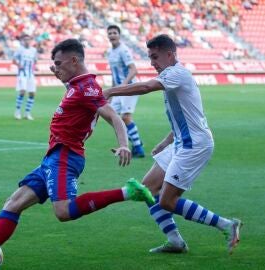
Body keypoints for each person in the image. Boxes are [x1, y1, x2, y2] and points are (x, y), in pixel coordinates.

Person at [0, 39, 155, 266]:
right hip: (54, 157)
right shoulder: (77, 86)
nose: (56, 68)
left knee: (63, 211)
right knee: (13, 203)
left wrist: (124, 144)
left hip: (66, 156)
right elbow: (77, 100)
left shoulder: (87, 88)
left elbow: (114, 116)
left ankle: (128, 192)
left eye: (59, 63)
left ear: (74, 60)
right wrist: (61, 76)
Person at [104, 34, 242, 254]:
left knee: (167, 201)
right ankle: (175, 241)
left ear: (170, 54)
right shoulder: (171, 75)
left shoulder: (176, 73)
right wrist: (166, 141)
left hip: (195, 145)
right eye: (150, 57)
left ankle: (226, 224)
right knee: (147, 189)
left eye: (155, 57)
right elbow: (187, 115)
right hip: (181, 142)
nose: (152, 62)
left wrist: (110, 91)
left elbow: (147, 87)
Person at [106, 25, 145, 158]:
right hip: (118, 90)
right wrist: (111, 92)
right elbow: (113, 74)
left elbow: (133, 69)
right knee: (110, 115)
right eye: (110, 33)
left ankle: (138, 148)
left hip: (129, 88)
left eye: (114, 33)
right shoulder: (110, 52)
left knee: (126, 117)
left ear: (119, 35)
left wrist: (123, 85)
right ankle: (135, 140)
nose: (112, 35)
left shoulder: (124, 50)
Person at [13, 35, 38, 120]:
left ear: (31, 41)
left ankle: (27, 113)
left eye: (28, 40)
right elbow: (13, 60)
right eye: (25, 40)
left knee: (32, 93)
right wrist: (19, 65)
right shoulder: (20, 50)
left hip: (31, 74)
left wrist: (35, 67)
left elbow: (35, 61)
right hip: (22, 74)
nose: (27, 41)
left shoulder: (34, 50)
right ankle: (17, 112)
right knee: (22, 91)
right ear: (23, 41)